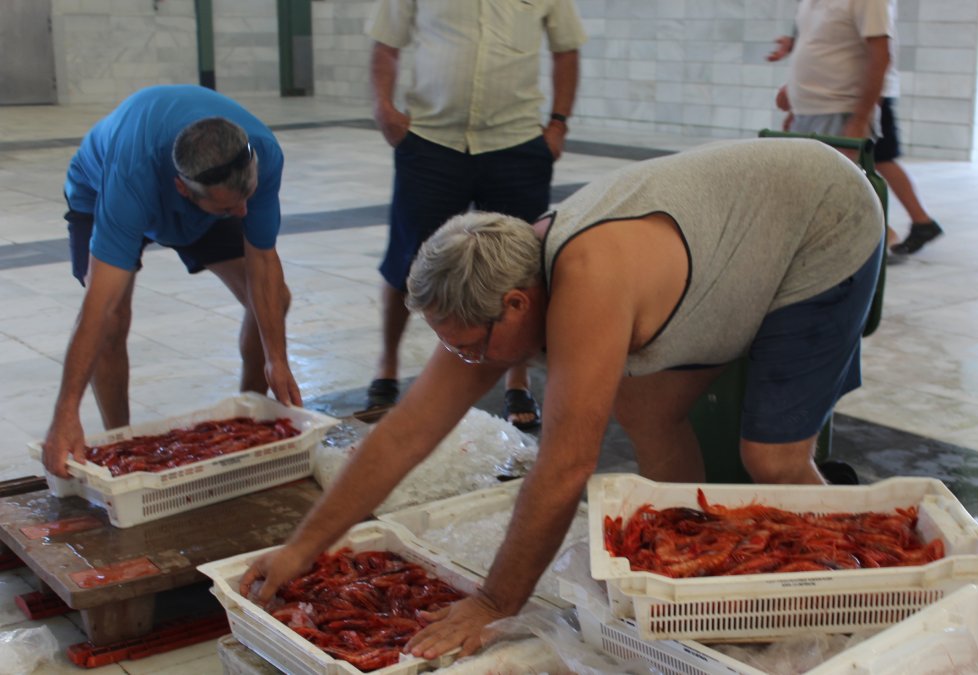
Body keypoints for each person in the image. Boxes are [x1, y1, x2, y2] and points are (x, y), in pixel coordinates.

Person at [242, 138, 884, 658]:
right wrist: (303, 548)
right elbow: (407, 431)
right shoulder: (495, 291)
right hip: (733, 233)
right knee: (648, 410)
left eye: (470, 347)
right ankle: (693, 572)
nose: (468, 364)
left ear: (516, 305)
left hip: (822, 218)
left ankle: (867, 594)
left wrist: (495, 601)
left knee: (772, 458)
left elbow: (566, 466)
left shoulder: (587, 283)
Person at [41, 84, 300, 478]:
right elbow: (99, 309)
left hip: (207, 197)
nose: (244, 213)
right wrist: (66, 411)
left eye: (247, 197)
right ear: (183, 190)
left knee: (274, 300)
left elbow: (262, 260)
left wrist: (276, 360)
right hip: (100, 190)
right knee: (113, 321)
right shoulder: (130, 179)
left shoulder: (259, 154)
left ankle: (250, 421)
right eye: (231, 207)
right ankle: (121, 446)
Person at [362, 0, 586, 430]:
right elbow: (386, 44)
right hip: (431, 140)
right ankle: (386, 366)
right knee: (406, 259)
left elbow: (566, 50)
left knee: (522, 269)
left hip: (516, 142)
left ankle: (517, 380)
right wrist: (384, 109)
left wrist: (558, 124)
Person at [767, 0, 942, 257]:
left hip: (843, 107)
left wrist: (860, 119)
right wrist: (795, 97)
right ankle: (899, 231)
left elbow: (880, 55)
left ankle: (884, 240)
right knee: (822, 187)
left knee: (844, 184)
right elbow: (820, 46)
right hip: (813, 109)